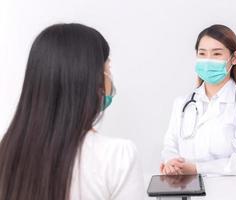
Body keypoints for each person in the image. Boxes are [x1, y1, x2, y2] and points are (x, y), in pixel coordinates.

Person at [0, 23, 144, 200]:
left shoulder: (7, 152)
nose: (110, 79)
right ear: (90, 79)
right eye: (107, 69)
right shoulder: (117, 156)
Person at [160, 24, 236, 176]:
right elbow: (170, 145)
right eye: (202, 54)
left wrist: (197, 169)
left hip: (235, 189)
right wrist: (172, 163)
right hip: (187, 187)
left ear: (234, 58)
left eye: (216, 54)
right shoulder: (182, 103)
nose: (208, 60)